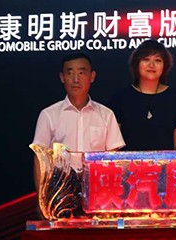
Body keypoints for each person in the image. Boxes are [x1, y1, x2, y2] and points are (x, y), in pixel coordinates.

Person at [32, 52, 125, 188]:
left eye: (81, 73)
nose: (76, 79)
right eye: (70, 73)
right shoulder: (49, 115)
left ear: (92, 76)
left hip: (98, 189)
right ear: (62, 77)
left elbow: (114, 159)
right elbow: (40, 159)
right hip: (60, 191)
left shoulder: (106, 115)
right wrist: (41, 197)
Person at [110, 39, 176, 151]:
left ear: (164, 66)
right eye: (146, 59)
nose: (151, 65)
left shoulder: (174, 97)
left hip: (166, 162)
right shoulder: (121, 97)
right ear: (137, 64)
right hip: (127, 162)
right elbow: (113, 143)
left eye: (157, 60)